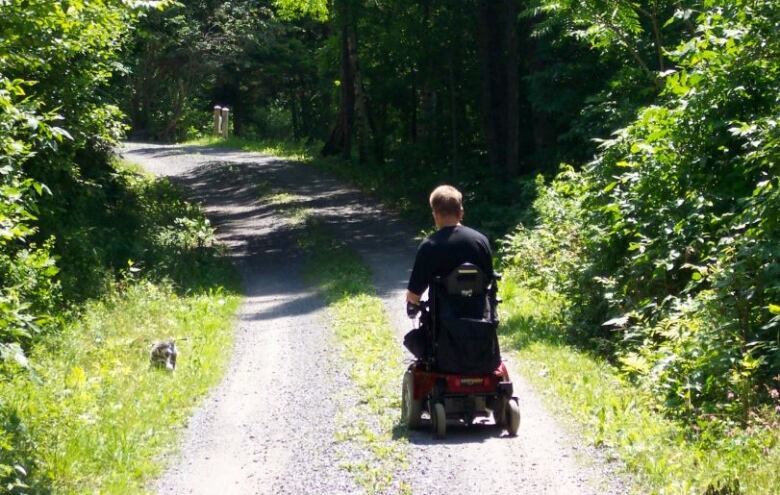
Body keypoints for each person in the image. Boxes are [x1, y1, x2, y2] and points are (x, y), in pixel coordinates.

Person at [405, 185, 494, 319]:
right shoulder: (481, 241)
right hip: (479, 322)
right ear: (461, 212)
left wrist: (412, 303)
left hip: (443, 325)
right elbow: (488, 280)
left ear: (435, 215)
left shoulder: (429, 245)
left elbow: (413, 296)